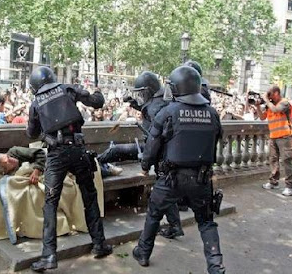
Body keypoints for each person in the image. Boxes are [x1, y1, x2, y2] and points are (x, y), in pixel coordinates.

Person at [133, 65, 225, 273]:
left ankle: (143, 253)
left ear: (177, 88)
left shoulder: (168, 112)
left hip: (170, 179)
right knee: (206, 222)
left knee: (154, 214)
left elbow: (152, 147)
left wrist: (145, 166)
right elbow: (216, 143)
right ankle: (216, 266)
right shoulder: (212, 113)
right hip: (201, 179)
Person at [26, 65, 112, 271]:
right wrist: (98, 92)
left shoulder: (36, 102)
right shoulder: (67, 89)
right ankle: (99, 244)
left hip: (56, 156)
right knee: (89, 196)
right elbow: (97, 102)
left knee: (50, 204)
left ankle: (48, 256)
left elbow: (31, 133)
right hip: (78, 150)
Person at [256, 85, 292, 196]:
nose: (269, 97)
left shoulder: (285, 103)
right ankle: (273, 182)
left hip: (285, 136)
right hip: (273, 136)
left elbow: (276, 110)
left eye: (270, 95)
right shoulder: (270, 105)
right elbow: (262, 117)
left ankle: (290, 186)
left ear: (277, 93)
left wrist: (266, 100)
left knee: (286, 160)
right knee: (273, 160)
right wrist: (258, 106)